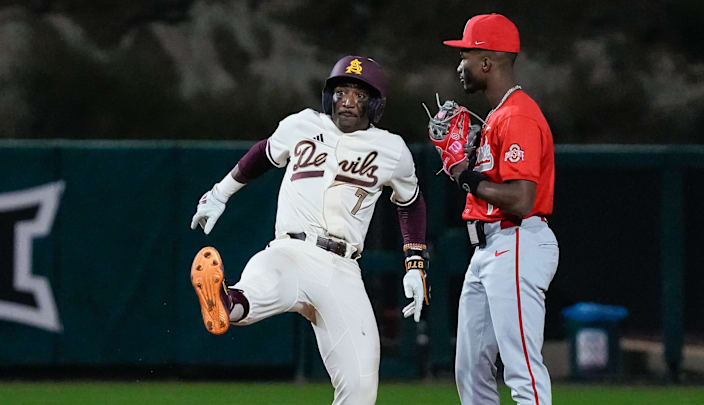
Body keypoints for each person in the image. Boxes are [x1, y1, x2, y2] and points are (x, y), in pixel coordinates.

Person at [189, 55, 430, 405]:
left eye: (359, 95)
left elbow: (411, 202)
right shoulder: (301, 124)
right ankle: (224, 303)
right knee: (255, 288)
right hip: (291, 250)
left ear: (375, 103)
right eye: (341, 91)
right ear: (329, 95)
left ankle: (230, 304)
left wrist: (415, 263)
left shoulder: (391, 149)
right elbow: (263, 155)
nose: (347, 100)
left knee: (361, 388)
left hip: (343, 269)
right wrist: (219, 192)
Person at [440, 13, 559, 405]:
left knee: (522, 370)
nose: (461, 66)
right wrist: (471, 163)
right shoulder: (498, 116)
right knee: (470, 369)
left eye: (466, 56)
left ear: (487, 62)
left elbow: (523, 200)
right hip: (489, 248)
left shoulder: (518, 115)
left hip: (517, 241)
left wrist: (465, 175)